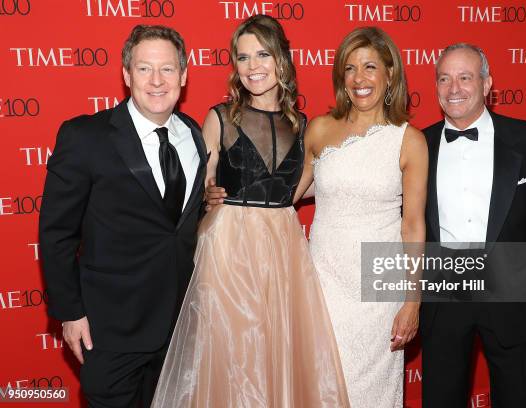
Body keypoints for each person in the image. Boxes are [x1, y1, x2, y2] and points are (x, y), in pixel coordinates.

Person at [207, 26, 427, 408]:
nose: (359, 78)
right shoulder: (320, 129)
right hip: (319, 283)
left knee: (369, 391)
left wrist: (412, 301)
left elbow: (413, 225)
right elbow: (283, 194)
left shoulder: (409, 140)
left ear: (390, 74)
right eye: (349, 68)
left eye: (370, 67)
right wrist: (223, 195)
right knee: (317, 388)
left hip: (376, 289)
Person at [151, 15, 349, 408]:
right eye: (243, 58)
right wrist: (208, 193)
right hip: (227, 246)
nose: (253, 66)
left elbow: (308, 188)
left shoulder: (306, 125)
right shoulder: (220, 117)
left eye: (263, 54)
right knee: (228, 354)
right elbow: (199, 185)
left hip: (283, 250)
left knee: (279, 354)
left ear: (282, 60)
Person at [39, 25, 206, 407]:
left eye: (167, 69)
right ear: (126, 74)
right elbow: (56, 234)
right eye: (144, 69)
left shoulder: (193, 134)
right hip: (111, 328)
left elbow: (180, 226)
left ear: (183, 74)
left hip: (179, 327)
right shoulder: (86, 137)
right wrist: (70, 313)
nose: (157, 81)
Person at [418, 43, 526, 407]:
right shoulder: (418, 145)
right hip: (443, 293)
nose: (454, 88)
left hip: (512, 292)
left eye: (465, 77)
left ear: (487, 85)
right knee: (441, 397)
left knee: (518, 396)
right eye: (444, 78)